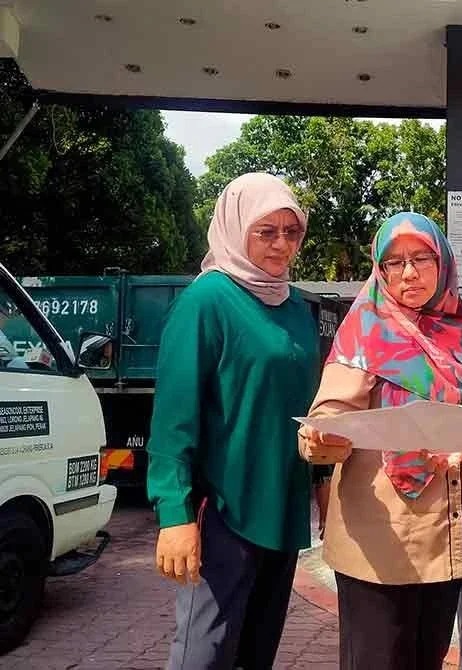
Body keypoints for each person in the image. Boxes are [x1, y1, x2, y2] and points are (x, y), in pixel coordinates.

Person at [298, 212, 462, 670]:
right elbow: (329, 411)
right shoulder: (364, 329)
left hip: (445, 540)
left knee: (428, 659)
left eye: (420, 259)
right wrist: (320, 436)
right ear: (380, 269)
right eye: (393, 263)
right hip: (377, 544)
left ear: (443, 261)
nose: (408, 273)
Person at [146, 172, 319, 670]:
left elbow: (311, 402)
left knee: (255, 652)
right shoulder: (207, 301)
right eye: (266, 231)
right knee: (205, 653)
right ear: (235, 227)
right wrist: (174, 514)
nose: (281, 244)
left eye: (292, 232)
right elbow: (174, 418)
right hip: (222, 509)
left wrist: (324, 477)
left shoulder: (294, 306)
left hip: (281, 508)